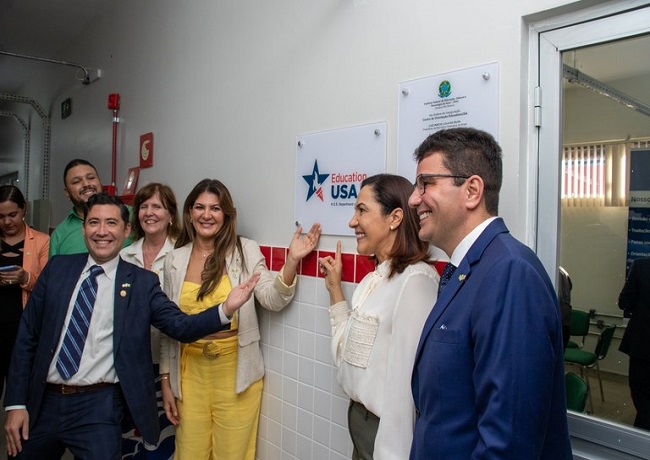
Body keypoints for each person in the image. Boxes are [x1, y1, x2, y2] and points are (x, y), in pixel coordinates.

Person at [3, 192, 261, 459]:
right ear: (84, 228)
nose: (102, 231)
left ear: (126, 230)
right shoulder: (58, 269)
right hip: (43, 402)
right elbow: (27, 337)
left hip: (99, 408)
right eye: (94, 222)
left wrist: (225, 309)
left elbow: (180, 326)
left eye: (111, 223)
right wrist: (15, 403)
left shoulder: (142, 283)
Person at [407, 128, 571, 459]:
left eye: (426, 183)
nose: (413, 198)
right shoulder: (467, 269)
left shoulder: (510, 273)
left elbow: (508, 443)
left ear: (472, 191)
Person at [159, 178, 321, 459]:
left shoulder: (245, 251)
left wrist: (292, 261)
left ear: (226, 215)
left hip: (236, 373)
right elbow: (168, 326)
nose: (206, 215)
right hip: (189, 374)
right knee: (189, 452)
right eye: (199, 207)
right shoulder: (175, 260)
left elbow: (273, 299)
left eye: (215, 208)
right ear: (189, 213)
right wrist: (165, 379)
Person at [318, 174, 438, 460]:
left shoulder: (416, 282)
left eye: (362, 210)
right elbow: (345, 352)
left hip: (385, 436)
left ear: (394, 218)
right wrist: (335, 289)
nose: (352, 222)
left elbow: (406, 391)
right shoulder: (373, 280)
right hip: (360, 424)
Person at [119, 183, 181, 457]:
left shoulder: (183, 254)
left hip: (168, 361)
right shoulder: (125, 255)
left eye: (157, 206)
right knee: (130, 438)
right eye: (143, 206)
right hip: (130, 362)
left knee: (163, 437)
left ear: (171, 215)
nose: (149, 212)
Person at [0, 185, 50, 399]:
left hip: (24, 329)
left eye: (12, 215)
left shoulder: (41, 241)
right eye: (1, 217)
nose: (7, 222)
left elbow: (48, 286)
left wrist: (26, 278)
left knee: (22, 391)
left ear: (24, 209)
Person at [50, 159, 132, 256]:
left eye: (91, 178)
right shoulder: (59, 234)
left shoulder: (132, 215)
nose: (86, 184)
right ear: (67, 193)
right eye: (76, 181)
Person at [618, 258, 650, 430]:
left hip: (643, 345)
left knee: (641, 391)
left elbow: (624, 302)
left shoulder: (642, 266)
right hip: (642, 345)